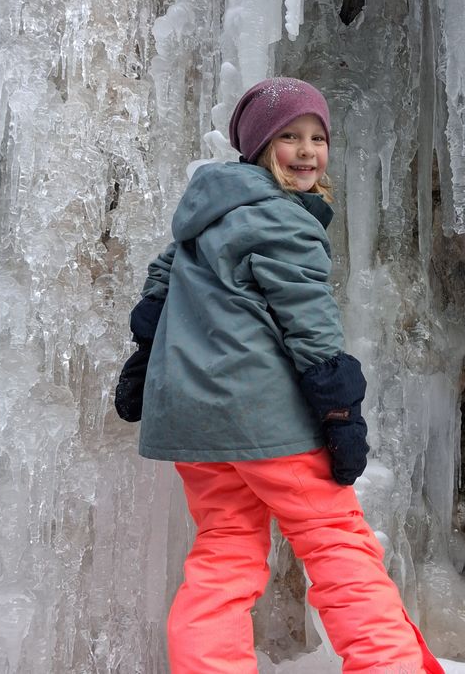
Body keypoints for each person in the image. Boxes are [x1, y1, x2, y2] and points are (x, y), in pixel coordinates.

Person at [129, 78, 444, 674]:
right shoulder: (282, 219)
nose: (306, 150)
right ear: (255, 150)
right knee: (336, 542)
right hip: (265, 417)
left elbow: (156, 300)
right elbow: (309, 322)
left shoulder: (200, 222)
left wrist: (141, 364)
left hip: (197, 426)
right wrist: (339, 410)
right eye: (287, 137)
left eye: (317, 137)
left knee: (223, 552)